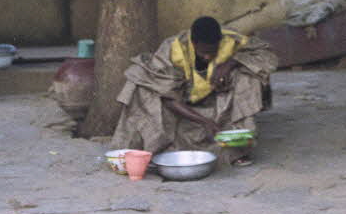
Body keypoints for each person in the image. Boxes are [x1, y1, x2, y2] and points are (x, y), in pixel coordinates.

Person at [111, 15, 277, 165]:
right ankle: (153, 149)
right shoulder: (172, 49)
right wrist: (204, 122)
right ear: (194, 43)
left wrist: (230, 64)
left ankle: (237, 149)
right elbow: (168, 97)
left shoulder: (232, 40)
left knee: (249, 74)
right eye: (204, 52)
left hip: (219, 103)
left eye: (213, 52)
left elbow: (267, 56)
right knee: (141, 82)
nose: (208, 57)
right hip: (181, 107)